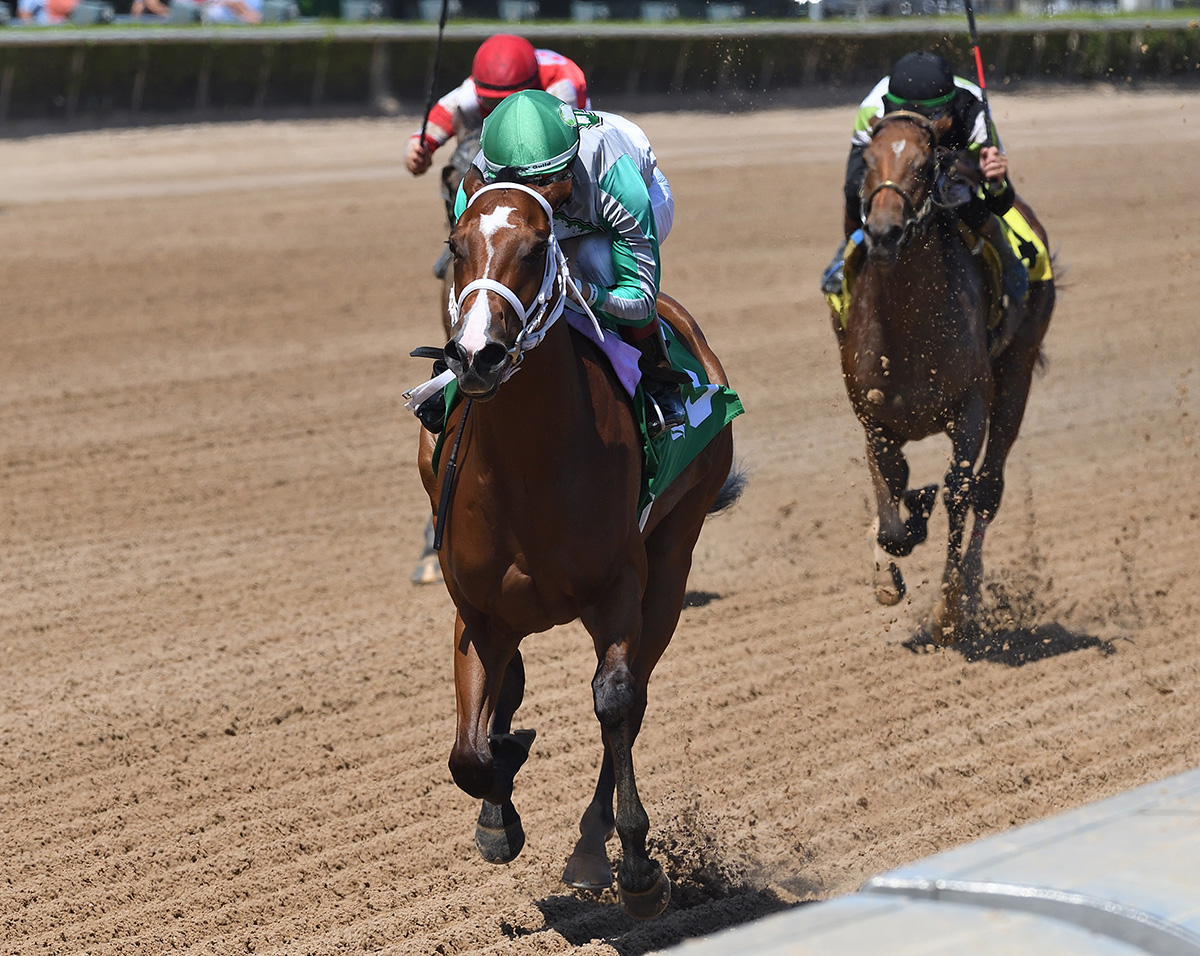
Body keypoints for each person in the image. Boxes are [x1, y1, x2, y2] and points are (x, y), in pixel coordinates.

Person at [455, 89, 684, 435]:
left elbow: (640, 300)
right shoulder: (478, 185)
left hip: (629, 200)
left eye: (546, 182)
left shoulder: (616, 181)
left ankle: (657, 376)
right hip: (559, 215)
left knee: (592, 258)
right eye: (519, 184)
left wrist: (584, 293)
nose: (536, 194)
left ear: (568, 166)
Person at [821, 50, 1028, 337]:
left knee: (962, 201)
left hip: (952, 164)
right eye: (906, 115)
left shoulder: (972, 112)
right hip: (897, 167)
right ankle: (844, 258)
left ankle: (1009, 266)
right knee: (855, 193)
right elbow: (854, 180)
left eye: (928, 117)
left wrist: (996, 181)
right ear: (890, 106)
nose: (916, 124)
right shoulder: (872, 110)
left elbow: (1001, 203)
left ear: (947, 109)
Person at [404, 34, 590, 179]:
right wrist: (417, 153)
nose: (504, 110)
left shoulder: (563, 87)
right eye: (494, 103)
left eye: (509, 101)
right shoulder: (469, 94)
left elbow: (569, 148)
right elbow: (424, 137)